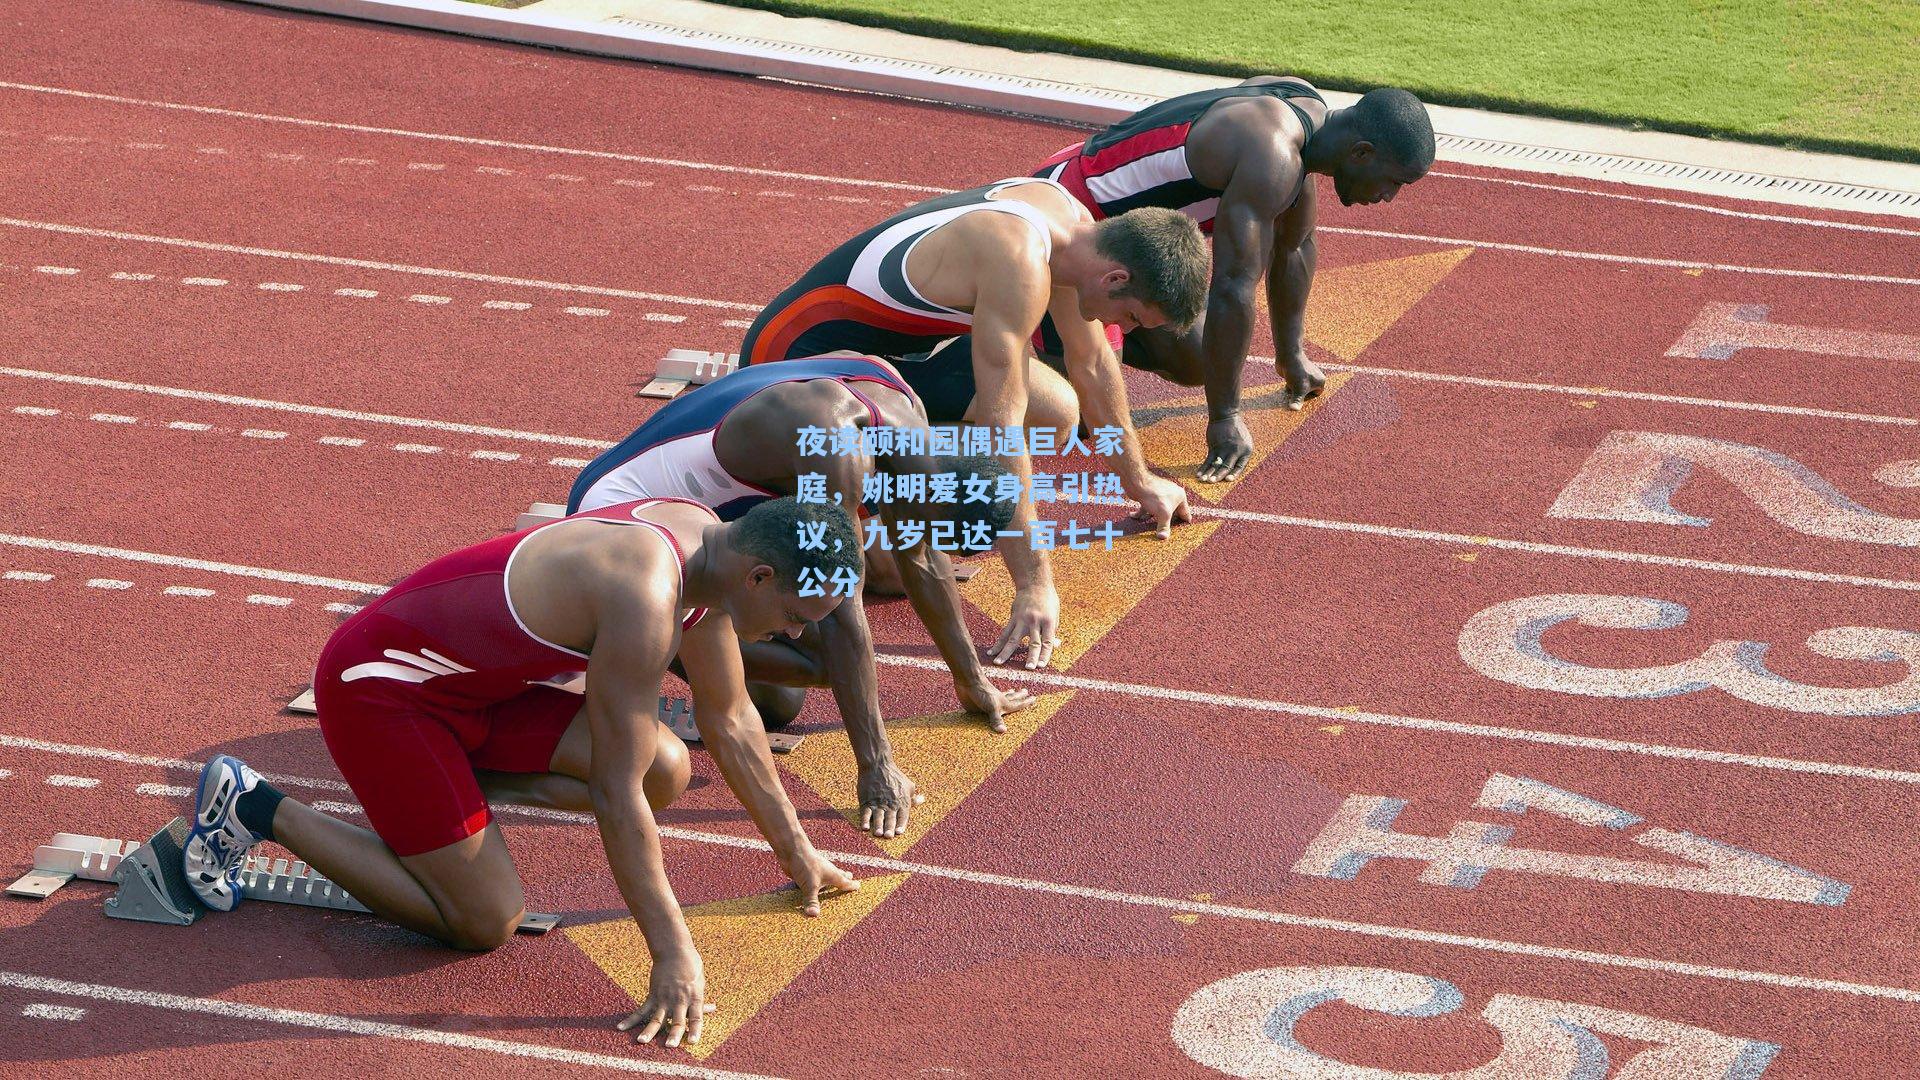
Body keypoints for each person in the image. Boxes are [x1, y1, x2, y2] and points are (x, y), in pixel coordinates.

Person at [182, 496, 863, 1050]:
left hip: (475, 695)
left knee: (667, 767)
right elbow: (613, 793)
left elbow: (734, 719)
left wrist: (798, 854)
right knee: (485, 920)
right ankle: (255, 806)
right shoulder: (647, 596)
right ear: (761, 577)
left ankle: (436, 808)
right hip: (382, 691)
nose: (798, 637)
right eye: (799, 618)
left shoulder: (709, 551)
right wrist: (672, 953)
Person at [739, 176, 1209, 667]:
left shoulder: (1078, 234)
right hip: (793, 361)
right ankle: (871, 491)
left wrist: (1138, 480)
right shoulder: (1019, 260)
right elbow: (998, 431)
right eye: (1131, 318)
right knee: (889, 567)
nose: (1125, 331)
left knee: (1057, 411)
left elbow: (1091, 364)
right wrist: (1034, 584)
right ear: (1115, 279)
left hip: (886, 356)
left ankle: (894, 477)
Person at [567, 352, 1036, 838]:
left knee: (792, 691)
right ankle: (649, 646)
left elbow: (919, 558)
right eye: (931, 530)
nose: (917, 542)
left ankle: (683, 644)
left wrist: (972, 680)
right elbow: (840, 612)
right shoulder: (837, 455)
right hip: (618, 517)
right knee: (812, 671)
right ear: (933, 497)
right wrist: (876, 766)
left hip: (698, 517)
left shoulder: (905, 416)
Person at [1034, 82, 1435, 482]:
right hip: (1070, 218)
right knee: (1072, 418)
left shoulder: (1305, 115)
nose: (1388, 197)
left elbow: (1294, 245)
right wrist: (1225, 417)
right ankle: (1020, 332)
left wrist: (1291, 355)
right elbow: (1232, 286)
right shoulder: (1272, 155)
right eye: (1393, 182)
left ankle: (1084, 337)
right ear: (1361, 152)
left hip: (1115, 236)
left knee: (1197, 356)